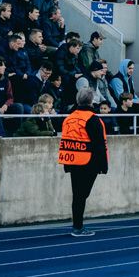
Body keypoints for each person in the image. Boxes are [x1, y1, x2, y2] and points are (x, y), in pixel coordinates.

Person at [58, 86, 110, 238]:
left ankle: (77, 225)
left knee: (78, 195)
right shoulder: (94, 119)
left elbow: (66, 140)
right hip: (89, 162)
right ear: (92, 101)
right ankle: (78, 227)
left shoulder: (69, 118)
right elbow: (100, 144)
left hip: (73, 161)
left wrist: (66, 164)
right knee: (82, 195)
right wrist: (103, 165)